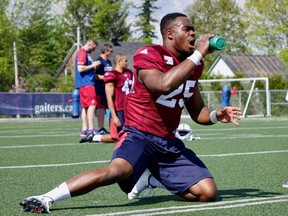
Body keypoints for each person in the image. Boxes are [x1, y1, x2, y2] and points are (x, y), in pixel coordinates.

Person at [20, 12, 242, 213]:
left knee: (208, 192)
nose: (194, 33)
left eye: (194, 29)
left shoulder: (194, 64)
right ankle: (48, 197)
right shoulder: (149, 53)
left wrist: (215, 115)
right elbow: (163, 84)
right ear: (170, 34)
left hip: (168, 142)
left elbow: (197, 112)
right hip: (140, 135)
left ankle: (153, 178)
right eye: (187, 29)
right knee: (118, 172)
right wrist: (198, 55)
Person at [80, 53, 133, 143]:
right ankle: (93, 137)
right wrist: (114, 116)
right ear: (118, 62)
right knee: (116, 138)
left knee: (132, 135)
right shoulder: (111, 75)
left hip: (129, 109)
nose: (127, 63)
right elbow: (109, 97)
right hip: (118, 109)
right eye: (125, 61)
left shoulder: (129, 73)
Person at [74, 39, 101, 137]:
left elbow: (85, 67)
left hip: (85, 83)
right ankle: (91, 129)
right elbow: (80, 68)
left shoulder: (85, 53)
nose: (93, 50)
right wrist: (93, 65)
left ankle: (84, 130)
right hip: (87, 83)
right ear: (90, 44)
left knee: (85, 107)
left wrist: (94, 67)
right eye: (93, 48)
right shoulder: (82, 52)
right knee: (92, 105)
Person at [95, 44, 113, 135]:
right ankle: (100, 127)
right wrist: (105, 77)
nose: (111, 53)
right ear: (106, 51)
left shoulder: (109, 61)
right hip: (100, 87)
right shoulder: (98, 61)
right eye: (111, 51)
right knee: (101, 108)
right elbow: (94, 75)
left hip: (108, 87)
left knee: (110, 107)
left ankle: (111, 127)